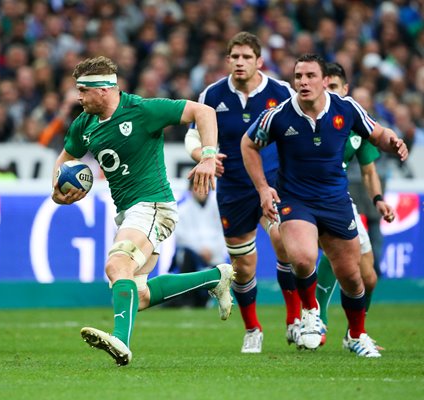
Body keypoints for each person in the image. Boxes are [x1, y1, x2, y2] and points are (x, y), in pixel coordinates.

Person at [51, 56, 235, 366]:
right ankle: (216, 277)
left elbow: (202, 111)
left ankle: (121, 341)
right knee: (138, 294)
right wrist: (58, 193)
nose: (78, 98)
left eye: (83, 91)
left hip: (153, 205)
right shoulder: (83, 125)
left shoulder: (142, 110)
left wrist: (207, 156)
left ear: (105, 90)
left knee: (116, 265)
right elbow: (63, 162)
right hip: (129, 213)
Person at [241, 54, 408, 358]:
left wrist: (394, 141)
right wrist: (263, 188)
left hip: (335, 201)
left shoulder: (345, 108)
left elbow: (378, 133)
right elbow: (248, 144)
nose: (303, 82)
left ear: (322, 80)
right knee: (303, 259)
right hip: (296, 199)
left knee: (352, 277)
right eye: (298, 76)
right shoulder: (279, 115)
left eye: (309, 76)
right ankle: (310, 311)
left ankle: (356, 335)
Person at [185, 32, 298, 353]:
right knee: (243, 265)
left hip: (274, 184)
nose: (239, 62)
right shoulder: (213, 94)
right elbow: (193, 137)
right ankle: (253, 329)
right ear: (227, 60)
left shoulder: (282, 93)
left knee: (285, 244)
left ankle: (294, 319)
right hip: (233, 186)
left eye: (246, 57)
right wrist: (203, 156)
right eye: (234, 56)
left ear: (259, 61)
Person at [316, 62, 395, 347]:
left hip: (340, 200)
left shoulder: (353, 120)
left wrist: (378, 199)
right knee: (329, 249)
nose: (328, 93)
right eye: (325, 87)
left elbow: (369, 170)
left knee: (369, 277)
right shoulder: (306, 117)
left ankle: (354, 331)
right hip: (306, 198)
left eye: (334, 87)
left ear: (345, 90)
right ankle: (316, 317)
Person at [167, 179, 227, 308]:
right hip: (193, 257)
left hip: (214, 257)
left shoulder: (218, 208)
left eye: (204, 186)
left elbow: (224, 233)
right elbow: (181, 237)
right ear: (190, 189)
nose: (201, 191)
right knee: (185, 255)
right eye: (196, 187)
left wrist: (212, 250)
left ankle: (205, 299)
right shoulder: (182, 210)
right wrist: (200, 251)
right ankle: (186, 300)